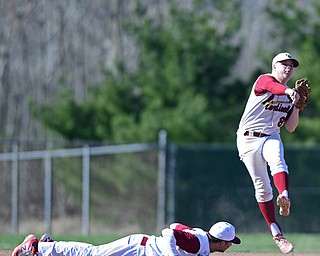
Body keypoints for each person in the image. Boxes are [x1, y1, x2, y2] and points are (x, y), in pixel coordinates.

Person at [236, 52, 302, 254]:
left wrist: (297, 106)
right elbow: (274, 88)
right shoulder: (264, 80)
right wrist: (289, 92)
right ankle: (276, 232)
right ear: (274, 66)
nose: (289, 68)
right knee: (262, 188)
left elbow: (290, 127)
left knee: (278, 161)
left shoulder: (291, 95)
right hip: (248, 138)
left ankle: (284, 195)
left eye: (292, 65)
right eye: (284, 64)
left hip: (271, 135)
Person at [12, 221, 240, 256]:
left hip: (142, 246)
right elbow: (169, 231)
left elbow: (175, 225)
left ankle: (51, 246)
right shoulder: (198, 242)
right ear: (221, 242)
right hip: (139, 248)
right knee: (93, 253)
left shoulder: (200, 235)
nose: (230, 246)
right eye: (230, 242)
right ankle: (37, 248)